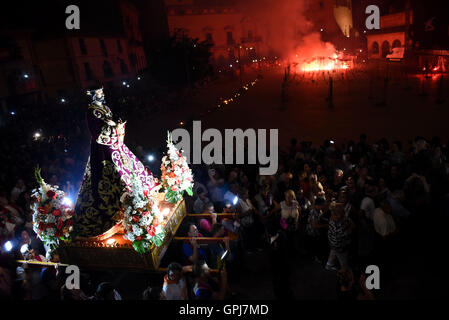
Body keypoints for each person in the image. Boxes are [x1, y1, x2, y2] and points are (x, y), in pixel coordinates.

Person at [73, 88, 157, 238]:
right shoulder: (91, 112)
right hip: (102, 151)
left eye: (102, 92)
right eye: (99, 93)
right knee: (109, 179)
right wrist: (114, 127)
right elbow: (98, 135)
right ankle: (120, 212)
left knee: (130, 171)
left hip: (116, 147)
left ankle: (140, 200)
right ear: (92, 96)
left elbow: (112, 125)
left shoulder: (105, 108)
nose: (102, 94)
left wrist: (118, 125)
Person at [325, 202, 353, 271]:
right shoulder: (337, 225)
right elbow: (344, 234)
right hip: (340, 246)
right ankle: (344, 273)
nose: (341, 216)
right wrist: (350, 229)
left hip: (332, 243)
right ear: (337, 215)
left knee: (333, 254)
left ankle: (328, 265)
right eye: (341, 214)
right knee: (343, 262)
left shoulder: (331, 219)